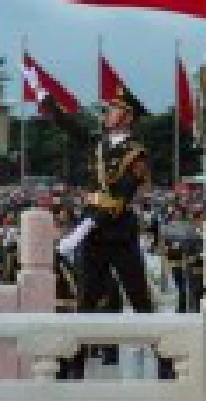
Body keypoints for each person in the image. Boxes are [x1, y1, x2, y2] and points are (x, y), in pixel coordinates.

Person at [58, 83, 164, 379]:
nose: (107, 113)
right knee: (85, 301)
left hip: (118, 233)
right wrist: (44, 97)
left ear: (128, 116)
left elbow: (120, 196)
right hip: (93, 236)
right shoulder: (98, 143)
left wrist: (80, 230)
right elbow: (71, 127)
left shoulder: (136, 154)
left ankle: (166, 362)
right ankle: (76, 367)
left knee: (140, 299)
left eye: (114, 109)